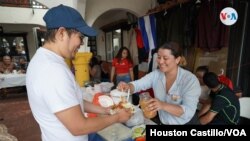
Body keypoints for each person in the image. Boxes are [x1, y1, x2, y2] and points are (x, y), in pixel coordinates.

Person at [26, 5, 132, 141]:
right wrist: (116, 117)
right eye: (80, 37)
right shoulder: (52, 70)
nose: (81, 43)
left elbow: (71, 101)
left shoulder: (43, 60)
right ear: (61, 33)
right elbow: (79, 127)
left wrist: (107, 111)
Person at [117, 42, 201, 125]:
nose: (160, 61)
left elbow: (188, 112)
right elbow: (138, 85)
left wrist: (162, 105)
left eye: (165, 58)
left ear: (177, 59)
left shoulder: (190, 80)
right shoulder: (156, 74)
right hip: (163, 122)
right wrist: (127, 86)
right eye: (159, 57)